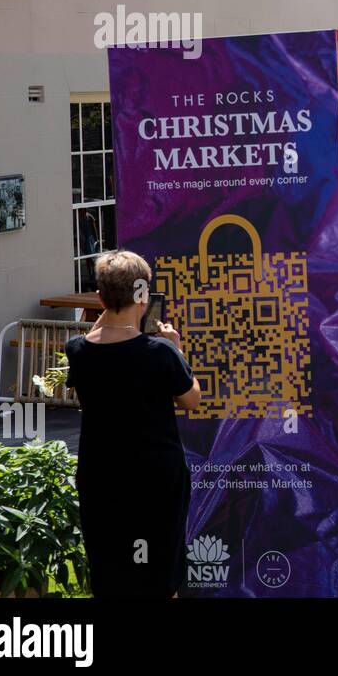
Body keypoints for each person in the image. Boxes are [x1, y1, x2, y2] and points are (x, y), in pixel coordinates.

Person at [65, 250, 201, 597]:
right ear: (143, 296)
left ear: (100, 298)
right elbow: (191, 399)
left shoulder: (78, 351)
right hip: (156, 479)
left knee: (110, 573)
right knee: (160, 577)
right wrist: (178, 349)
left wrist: (108, 312)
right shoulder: (161, 353)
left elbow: (89, 364)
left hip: (101, 478)